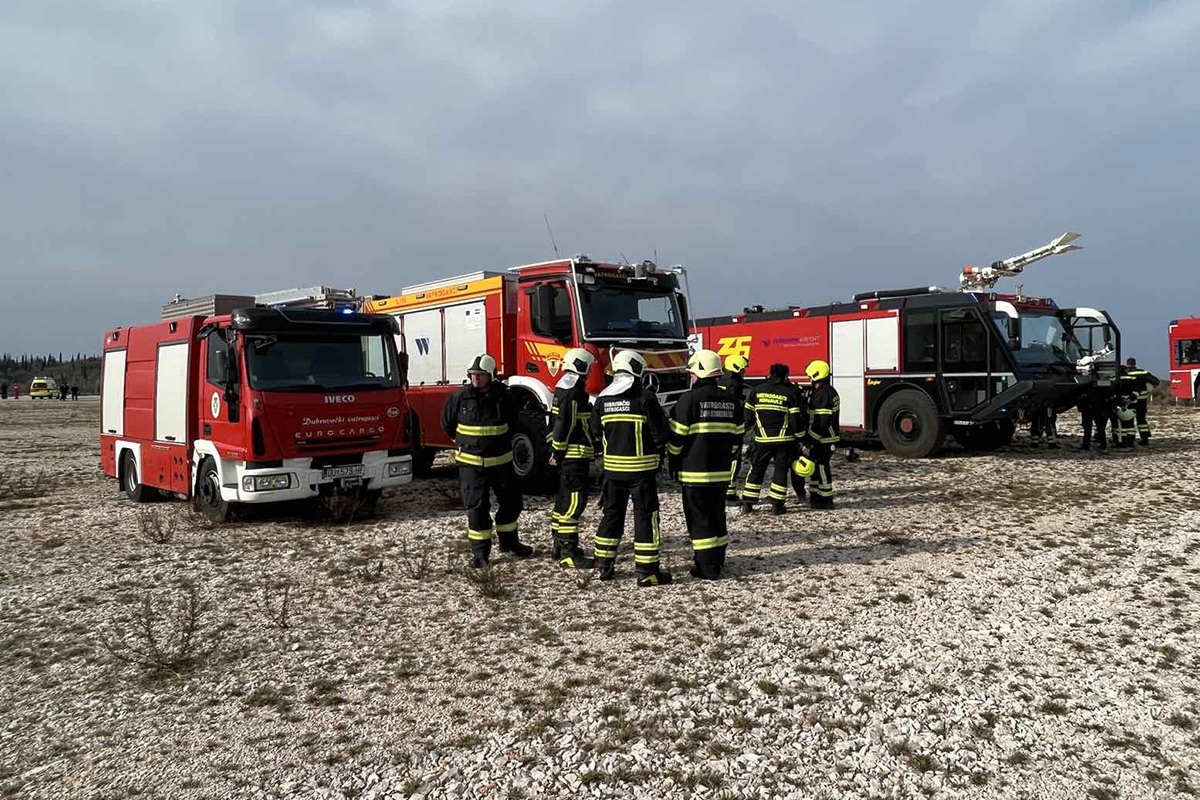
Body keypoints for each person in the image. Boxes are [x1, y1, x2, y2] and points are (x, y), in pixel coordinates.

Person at [440, 354, 533, 568]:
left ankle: (509, 543)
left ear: (491, 375)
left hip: (501, 464)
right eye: (472, 374)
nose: (475, 378)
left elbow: (514, 423)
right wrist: (465, 443)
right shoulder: (459, 397)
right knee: (478, 508)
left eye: (480, 375)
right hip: (472, 466)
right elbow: (447, 424)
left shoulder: (505, 397)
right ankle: (480, 554)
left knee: (512, 503)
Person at [591, 350, 672, 586]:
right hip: (641, 473)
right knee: (645, 518)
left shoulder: (603, 399)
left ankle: (604, 565)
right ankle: (647, 572)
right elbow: (661, 433)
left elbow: (595, 432)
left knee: (611, 515)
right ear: (637, 369)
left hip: (612, 472)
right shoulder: (645, 398)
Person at [667, 349, 745, 580]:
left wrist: (673, 460)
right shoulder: (732, 401)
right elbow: (737, 439)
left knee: (699, 519)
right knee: (717, 515)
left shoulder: (688, 400)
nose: (691, 377)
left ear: (699, 372)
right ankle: (718, 559)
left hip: (694, 473)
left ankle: (706, 567)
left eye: (692, 373)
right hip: (721, 472)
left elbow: (677, 438)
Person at [547, 348, 597, 569]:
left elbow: (555, 423)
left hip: (567, 456)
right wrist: (558, 452)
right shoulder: (574, 393)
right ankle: (569, 552)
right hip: (574, 456)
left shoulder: (562, 388)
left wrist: (555, 451)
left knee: (563, 500)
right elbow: (565, 425)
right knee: (575, 503)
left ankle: (559, 546)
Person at [740, 363, 806, 515]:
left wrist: (754, 430)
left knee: (756, 470)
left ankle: (747, 503)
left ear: (770, 374)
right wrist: (801, 436)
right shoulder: (790, 392)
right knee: (781, 471)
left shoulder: (756, 391)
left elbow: (748, 417)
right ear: (785, 376)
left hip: (762, 440)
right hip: (784, 441)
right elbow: (795, 420)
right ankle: (777, 505)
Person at [802, 360, 840, 509]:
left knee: (822, 467)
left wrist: (810, 440)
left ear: (816, 375)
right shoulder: (826, 391)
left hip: (824, 438)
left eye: (810, 376)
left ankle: (825, 500)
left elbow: (822, 422)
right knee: (816, 467)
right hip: (824, 437)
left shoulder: (824, 394)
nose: (809, 379)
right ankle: (815, 496)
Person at [719, 354, 750, 505]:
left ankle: (719, 491)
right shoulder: (734, 385)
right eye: (743, 370)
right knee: (733, 460)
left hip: (716, 428)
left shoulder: (718, 381)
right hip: (731, 429)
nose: (744, 373)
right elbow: (734, 407)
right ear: (736, 369)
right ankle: (729, 494)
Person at [1123, 357, 1160, 445]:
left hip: (1130, 401)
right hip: (1142, 400)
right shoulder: (1143, 372)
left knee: (1129, 420)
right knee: (1142, 420)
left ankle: (1130, 440)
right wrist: (1152, 387)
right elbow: (1156, 381)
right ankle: (1145, 439)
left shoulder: (1125, 373)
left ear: (1127, 364)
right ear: (1135, 364)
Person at [1079, 387, 1112, 451]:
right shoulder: (1102, 389)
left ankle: (1086, 445)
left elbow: (1081, 400)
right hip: (1098, 410)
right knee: (1100, 428)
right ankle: (1103, 444)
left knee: (1088, 429)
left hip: (1089, 410)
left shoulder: (1084, 389)